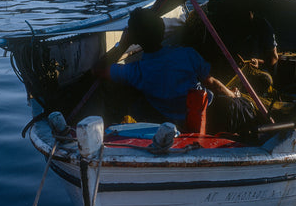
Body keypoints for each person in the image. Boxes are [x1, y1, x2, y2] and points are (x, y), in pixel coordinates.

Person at [93, 7, 260, 134]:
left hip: (174, 121)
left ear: (134, 39)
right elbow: (212, 83)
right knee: (243, 104)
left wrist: (123, 45)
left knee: (135, 102)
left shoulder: (136, 71)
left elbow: (98, 69)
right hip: (209, 115)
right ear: (162, 30)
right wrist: (233, 95)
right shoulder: (187, 54)